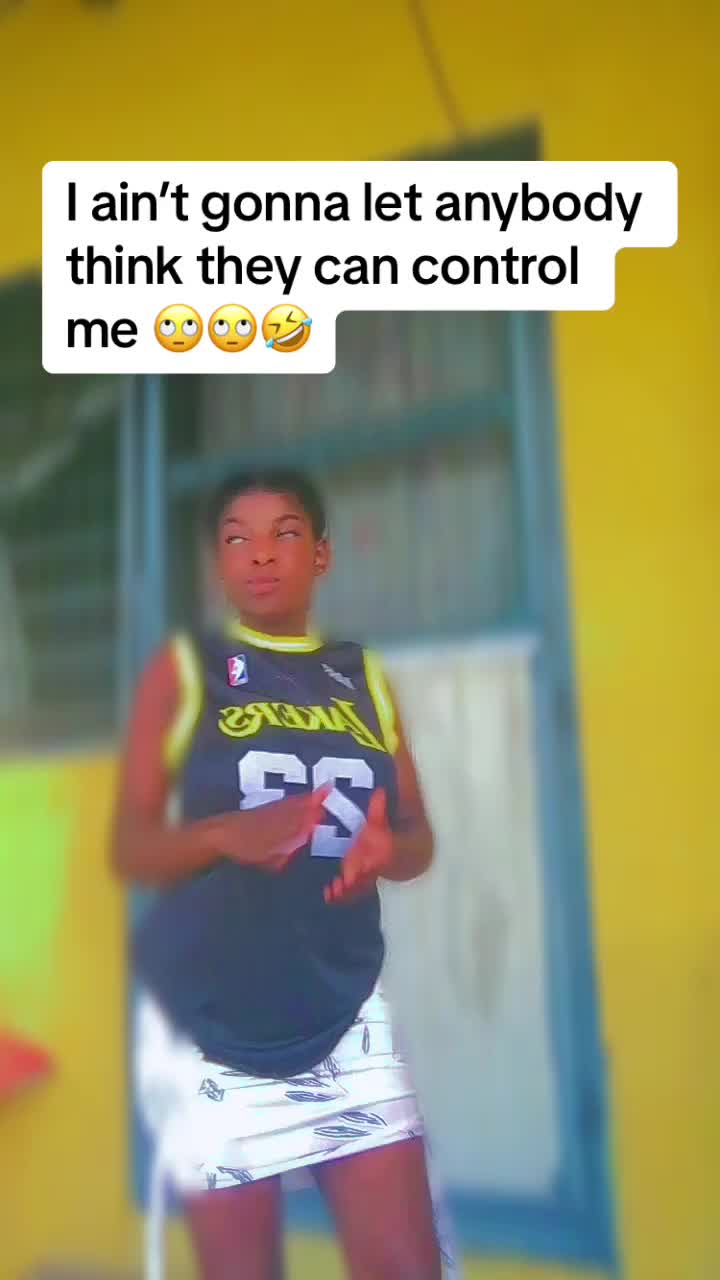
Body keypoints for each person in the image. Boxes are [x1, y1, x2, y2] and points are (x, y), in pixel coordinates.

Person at [112, 468, 455, 1280]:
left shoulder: (362, 676)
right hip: (210, 1038)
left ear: (322, 554)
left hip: (346, 1017)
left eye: (285, 533)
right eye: (238, 539)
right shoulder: (187, 670)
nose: (261, 554)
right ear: (218, 564)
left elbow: (418, 837)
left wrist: (387, 852)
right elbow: (129, 847)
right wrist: (223, 834)